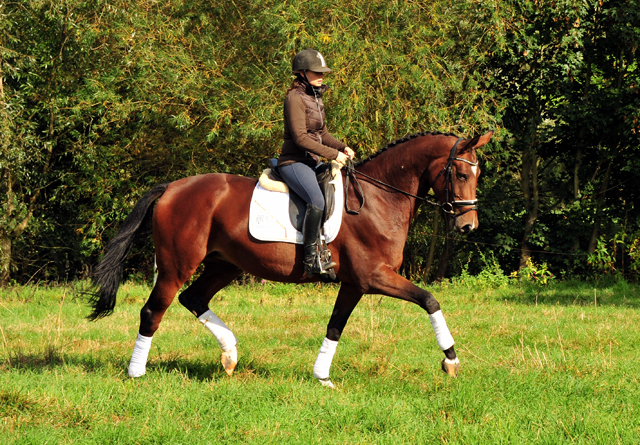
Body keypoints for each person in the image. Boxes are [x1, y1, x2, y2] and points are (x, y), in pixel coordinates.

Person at [276, 49, 355, 278]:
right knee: (317, 201)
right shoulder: (295, 98)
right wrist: (332, 154)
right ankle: (310, 261)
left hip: (312, 161)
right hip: (294, 162)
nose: (322, 76)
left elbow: (323, 133)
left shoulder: (315, 96)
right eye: (316, 72)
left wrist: (342, 147)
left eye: (323, 72)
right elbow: (301, 138)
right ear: (301, 73)